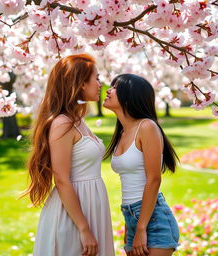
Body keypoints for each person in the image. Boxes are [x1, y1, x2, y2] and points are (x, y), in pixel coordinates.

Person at [23, 54, 115, 256]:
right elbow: (62, 179)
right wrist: (84, 228)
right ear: (80, 83)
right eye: (96, 78)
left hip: (91, 203)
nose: (101, 84)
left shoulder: (77, 120)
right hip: (74, 212)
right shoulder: (62, 123)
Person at [103, 74, 180, 256]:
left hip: (152, 220)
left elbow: (153, 180)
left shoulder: (147, 127)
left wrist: (141, 228)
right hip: (132, 217)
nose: (107, 90)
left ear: (130, 96)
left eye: (115, 87)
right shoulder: (122, 133)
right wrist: (130, 225)